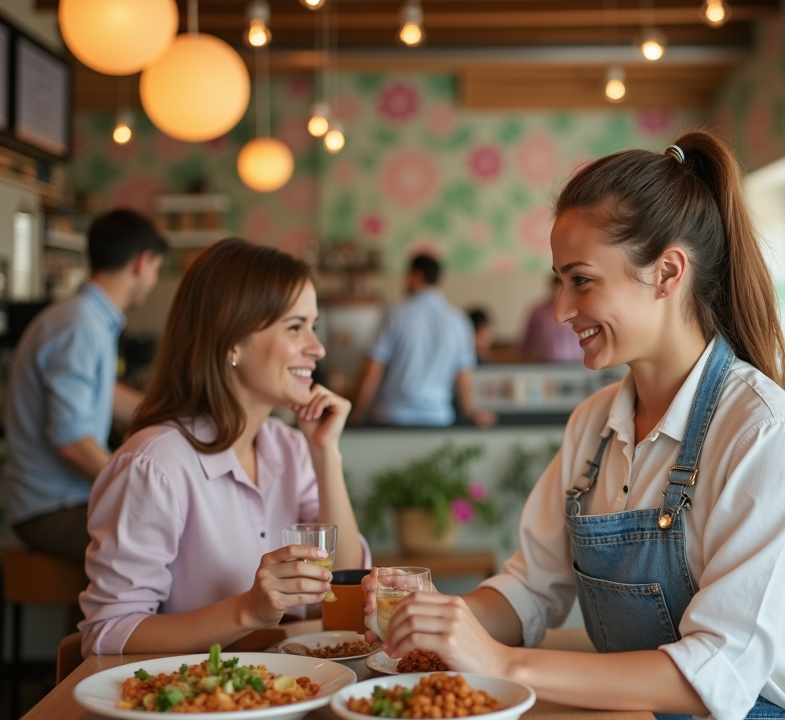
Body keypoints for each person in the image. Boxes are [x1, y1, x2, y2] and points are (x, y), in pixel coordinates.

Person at [362, 133, 785, 720]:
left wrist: (502, 662)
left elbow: (714, 670)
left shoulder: (764, 436)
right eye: (560, 282)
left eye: (581, 282)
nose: (562, 310)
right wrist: (440, 619)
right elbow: (531, 590)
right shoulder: (594, 424)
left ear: (668, 273)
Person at [79, 239, 368, 656]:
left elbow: (343, 583)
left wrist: (327, 455)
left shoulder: (288, 446)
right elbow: (106, 636)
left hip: (285, 688)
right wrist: (249, 611)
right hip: (194, 706)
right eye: (294, 327)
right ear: (232, 342)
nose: (317, 348)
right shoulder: (154, 464)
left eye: (314, 325)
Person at [4, 209, 165, 562]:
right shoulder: (80, 326)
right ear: (141, 263)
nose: (154, 281)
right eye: (156, 269)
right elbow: (71, 441)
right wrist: (134, 484)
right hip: (50, 507)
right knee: (163, 539)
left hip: (61, 500)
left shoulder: (86, 317)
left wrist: (174, 414)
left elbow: (104, 395)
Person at [351, 254, 495, 427]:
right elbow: (464, 376)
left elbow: (372, 371)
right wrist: (471, 411)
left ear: (415, 276)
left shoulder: (393, 314)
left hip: (392, 417)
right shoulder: (459, 322)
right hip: (438, 418)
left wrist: (356, 412)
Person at [519, 274, 585, 362]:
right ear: (552, 288)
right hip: (546, 365)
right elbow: (526, 342)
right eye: (558, 290)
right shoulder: (539, 312)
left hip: (576, 364)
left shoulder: (578, 310)